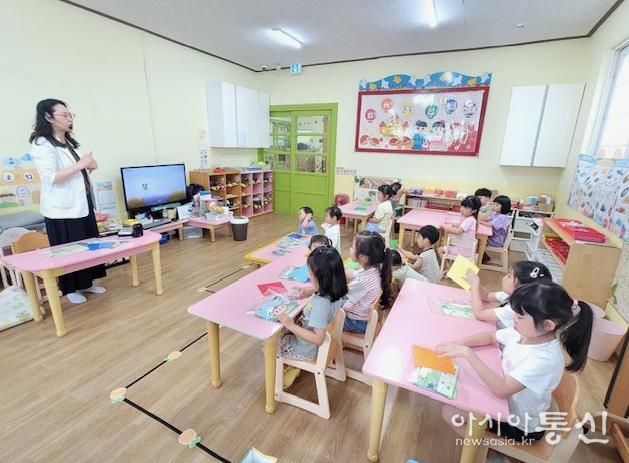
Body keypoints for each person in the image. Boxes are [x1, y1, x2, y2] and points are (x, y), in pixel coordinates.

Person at [438, 282, 593, 442]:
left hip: (520, 426)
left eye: (520, 316)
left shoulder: (544, 359)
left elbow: (502, 389)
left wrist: (467, 353)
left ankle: (482, 446)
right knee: (462, 388)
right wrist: (458, 343)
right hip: (506, 402)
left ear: (548, 325)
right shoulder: (526, 333)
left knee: (450, 411)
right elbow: (491, 336)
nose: (514, 319)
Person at [29, 99, 106, 304]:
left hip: (82, 202)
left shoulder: (69, 142)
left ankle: (86, 283)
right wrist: (81, 165)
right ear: (48, 117)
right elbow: (51, 177)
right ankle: (70, 289)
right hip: (62, 208)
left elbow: (78, 171)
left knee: (87, 244)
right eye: (64, 115)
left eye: (70, 114)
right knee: (68, 250)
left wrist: (90, 166)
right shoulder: (42, 144)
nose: (69, 118)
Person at [291, 231, 393, 334]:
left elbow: (339, 292)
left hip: (356, 322)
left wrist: (309, 290)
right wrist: (336, 269)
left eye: (352, 247)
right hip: (363, 316)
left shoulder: (363, 281)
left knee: (321, 306)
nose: (350, 249)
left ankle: (303, 328)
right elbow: (351, 273)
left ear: (363, 257)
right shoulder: (374, 269)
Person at [278, 246, 348, 388]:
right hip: (316, 345)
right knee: (286, 330)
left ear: (321, 278)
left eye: (310, 274)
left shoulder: (321, 303)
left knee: (272, 344)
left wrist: (291, 325)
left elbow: (318, 338)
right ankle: (293, 367)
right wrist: (307, 290)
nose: (308, 276)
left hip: (307, 350)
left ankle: (290, 369)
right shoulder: (334, 292)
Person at [465, 261, 552, 328]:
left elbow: (479, 314)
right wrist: (475, 282)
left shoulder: (515, 309)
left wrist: (474, 285)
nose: (504, 278)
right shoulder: (512, 295)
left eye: (509, 276)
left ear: (522, 287)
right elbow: (487, 296)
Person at [438, 195, 480, 261]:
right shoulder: (471, 219)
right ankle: (450, 266)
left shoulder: (470, 220)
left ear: (474, 210)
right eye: (462, 206)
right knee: (447, 246)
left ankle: (448, 267)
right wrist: (453, 224)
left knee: (440, 250)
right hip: (465, 248)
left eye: (466, 207)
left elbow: (458, 231)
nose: (462, 209)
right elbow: (461, 226)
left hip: (463, 250)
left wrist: (448, 229)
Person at [479, 195, 512, 262]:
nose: (494, 206)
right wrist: (478, 216)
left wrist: (480, 222)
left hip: (495, 240)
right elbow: (487, 218)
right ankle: (483, 257)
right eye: (493, 204)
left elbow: (490, 225)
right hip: (493, 237)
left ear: (504, 207)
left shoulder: (502, 217)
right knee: (478, 238)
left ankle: (482, 258)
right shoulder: (496, 214)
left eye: (497, 205)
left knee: (478, 240)